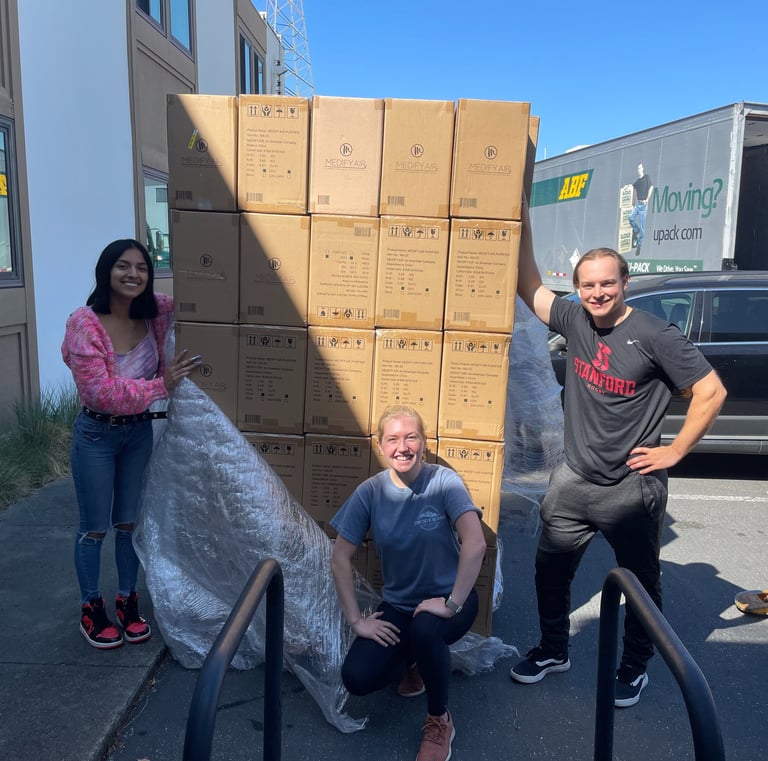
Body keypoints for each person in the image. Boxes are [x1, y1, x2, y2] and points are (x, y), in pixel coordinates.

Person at [510, 203, 727, 707]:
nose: (598, 293)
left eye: (607, 283)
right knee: (550, 571)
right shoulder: (575, 319)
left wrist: (675, 451)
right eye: (588, 285)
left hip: (631, 487)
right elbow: (529, 285)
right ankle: (554, 650)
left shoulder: (655, 335)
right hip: (573, 479)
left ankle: (634, 667)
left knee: (639, 586)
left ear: (624, 283)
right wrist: (521, 217)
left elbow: (711, 391)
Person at [62, 239, 201, 649]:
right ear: (106, 270)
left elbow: (199, 301)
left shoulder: (155, 312)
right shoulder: (84, 324)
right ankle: (91, 608)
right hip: (97, 435)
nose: (133, 274)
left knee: (128, 524)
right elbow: (100, 393)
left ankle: (127, 600)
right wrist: (161, 386)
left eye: (142, 267)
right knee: (94, 528)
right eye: (123, 266)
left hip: (138, 433)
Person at [330, 405, 487, 761]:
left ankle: (439, 720)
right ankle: (413, 665)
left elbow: (475, 543)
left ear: (424, 442)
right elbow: (339, 558)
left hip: (452, 600)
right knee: (357, 677)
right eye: (393, 439)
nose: (402, 447)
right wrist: (357, 621)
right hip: (401, 607)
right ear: (380, 445)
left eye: (411, 437)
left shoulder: (443, 482)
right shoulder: (370, 492)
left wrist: (451, 603)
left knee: (427, 629)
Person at [628, 163, 653, 254]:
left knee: (642, 227)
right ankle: (636, 229)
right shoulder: (637, 182)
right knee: (630, 218)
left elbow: (651, 187)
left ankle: (639, 245)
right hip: (638, 204)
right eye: (637, 168)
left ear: (643, 168)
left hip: (643, 205)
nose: (639, 170)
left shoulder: (646, 177)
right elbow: (632, 187)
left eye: (640, 168)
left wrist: (647, 199)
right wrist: (633, 202)